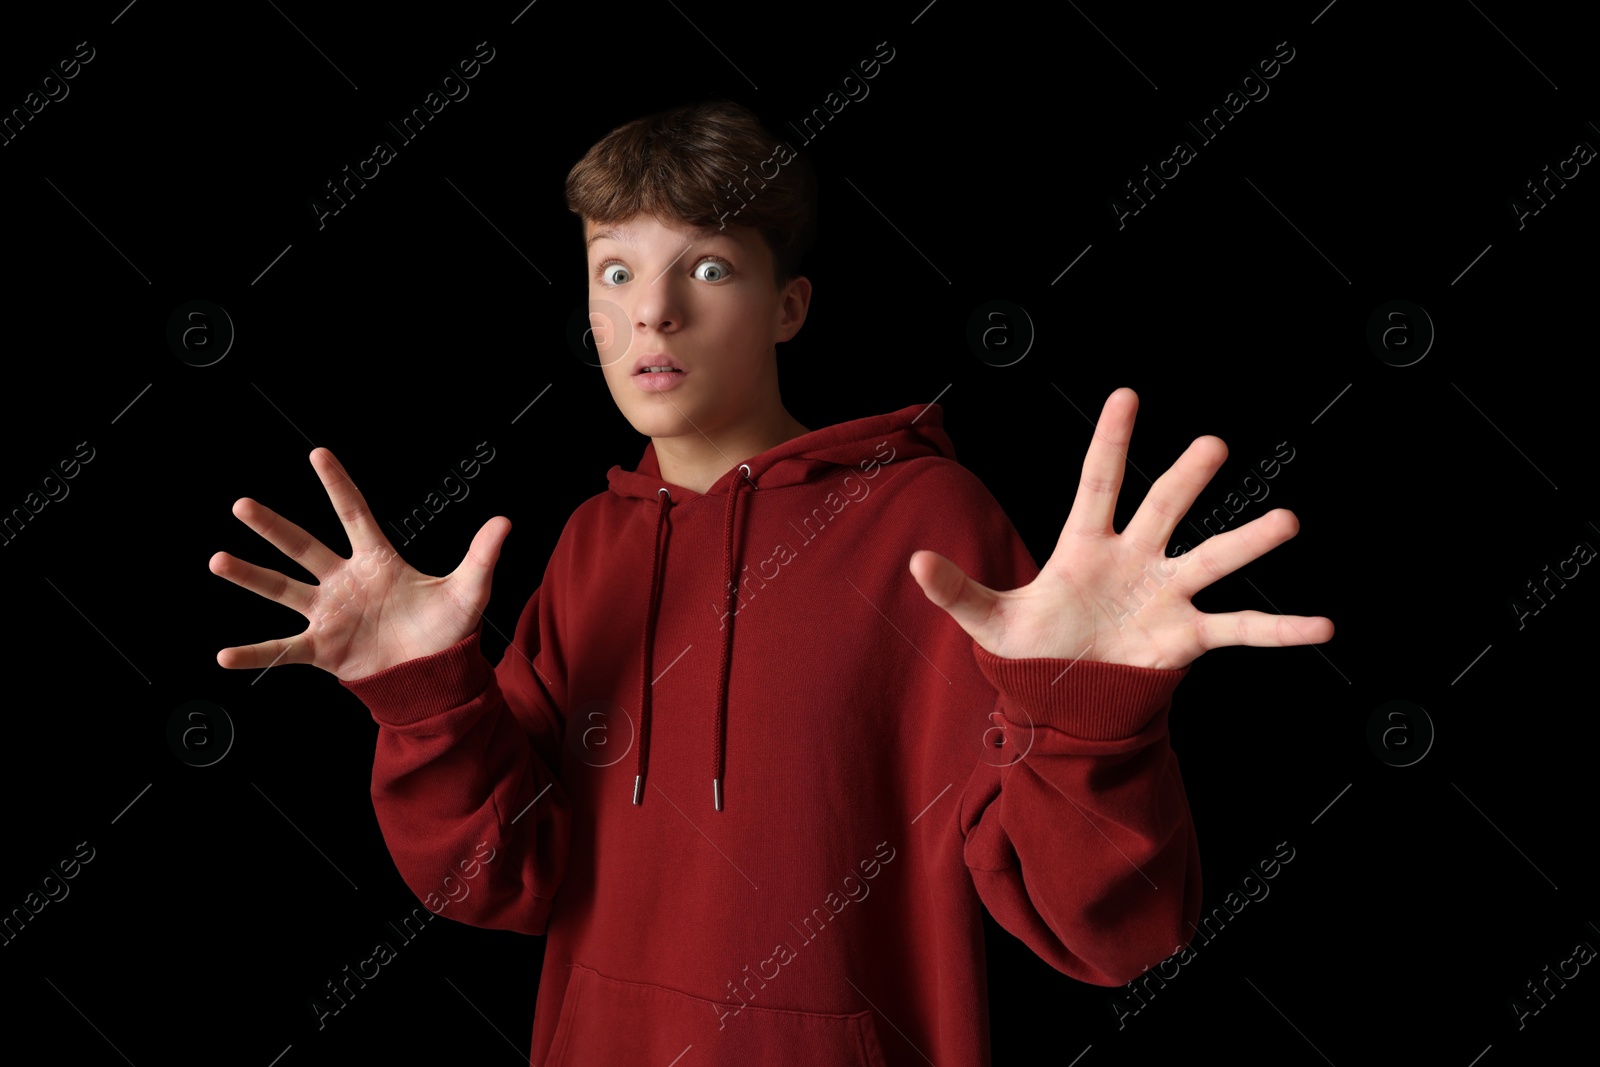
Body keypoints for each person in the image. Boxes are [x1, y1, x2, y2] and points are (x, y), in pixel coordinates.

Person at [209, 100, 1333, 1065]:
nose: (654, 310)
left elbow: (1113, 935)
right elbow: (496, 880)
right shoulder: (592, 542)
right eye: (616, 268)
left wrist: (1090, 722)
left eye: (708, 265)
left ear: (788, 304)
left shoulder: (928, 526)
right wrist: (424, 698)